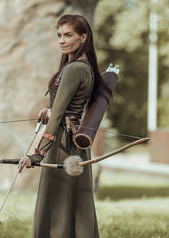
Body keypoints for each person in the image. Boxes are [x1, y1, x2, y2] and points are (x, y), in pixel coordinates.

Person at [18, 14, 110, 238]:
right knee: (75, 204)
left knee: (57, 207)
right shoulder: (85, 67)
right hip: (75, 145)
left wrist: (37, 155)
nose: (61, 40)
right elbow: (68, 108)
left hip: (61, 146)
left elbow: (59, 115)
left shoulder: (73, 69)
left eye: (68, 35)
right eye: (59, 35)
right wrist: (51, 111)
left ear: (83, 37)